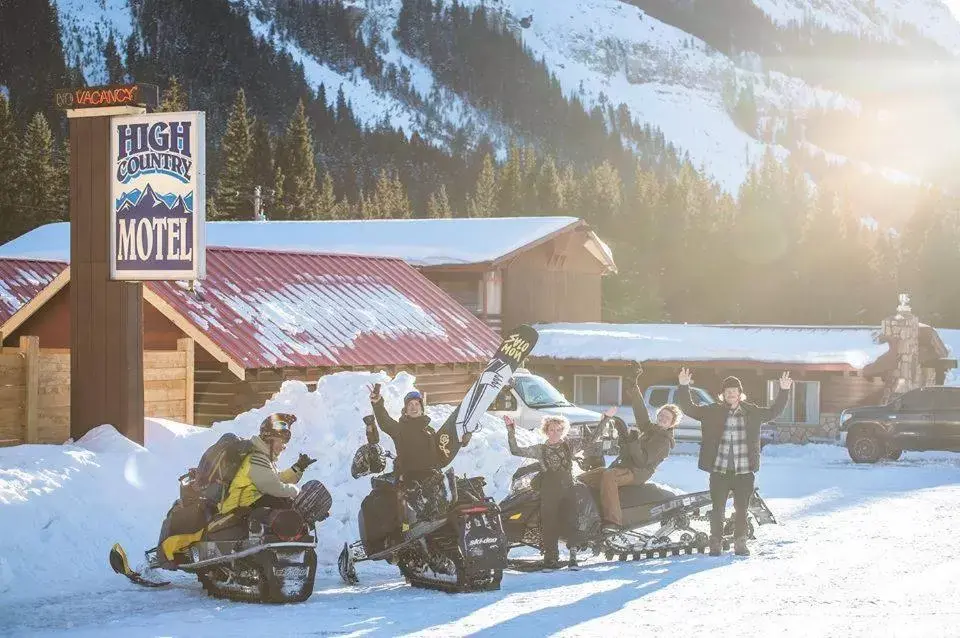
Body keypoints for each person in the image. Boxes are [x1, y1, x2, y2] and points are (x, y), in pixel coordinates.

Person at [676, 368, 791, 556]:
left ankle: (740, 543)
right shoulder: (712, 411)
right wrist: (683, 386)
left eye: (734, 390)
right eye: (727, 391)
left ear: (740, 393)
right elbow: (690, 409)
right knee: (718, 509)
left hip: (744, 472)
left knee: (741, 510)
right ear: (723, 395)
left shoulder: (751, 412)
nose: (731, 393)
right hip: (719, 470)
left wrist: (784, 390)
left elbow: (774, 412)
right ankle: (715, 543)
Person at [505, 408, 615, 569]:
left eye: (559, 429)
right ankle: (551, 559)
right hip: (548, 490)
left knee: (573, 521)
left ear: (563, 431)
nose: (555, 432)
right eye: (551, 429)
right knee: (549, 525)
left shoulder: (569, 446)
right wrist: (511, 429)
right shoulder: (540, 449)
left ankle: (573, 557)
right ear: (546, 431)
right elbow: (516, 450)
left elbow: (591, 439)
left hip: (569, 488)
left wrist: (605, 418)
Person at [578, 370, 680, 534]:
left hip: (637, 472)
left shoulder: (664, 441)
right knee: (584, 478)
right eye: (661, 415)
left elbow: (642, 461)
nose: (662, 418)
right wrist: (634, 386)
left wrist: (632, 441)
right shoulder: (650, 429)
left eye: (666, 418)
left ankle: (613, 522)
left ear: (672, 424)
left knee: (609, 476)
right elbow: (641, 412)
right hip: (624, 467)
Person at [219, 413, 318, 514]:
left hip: (245, 510)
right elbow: (274, 487)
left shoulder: (262, 457)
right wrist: (299, 494)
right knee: (282, 505)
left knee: (283, 506)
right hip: (234, 513)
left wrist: (298, 467)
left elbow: (276, 479)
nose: (283, 447)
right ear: (268, 439)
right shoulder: (256, 458)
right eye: (281, 441)